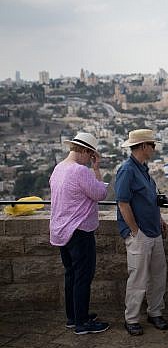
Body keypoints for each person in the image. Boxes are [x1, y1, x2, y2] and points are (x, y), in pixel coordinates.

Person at [49, 132, 110, 335]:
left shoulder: (58, 168)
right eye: (91, 155)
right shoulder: (79, 171)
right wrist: (96, 168)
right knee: (83, 276)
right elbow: (100, 193)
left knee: (71, 275)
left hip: (61, 230)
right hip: (79, 230)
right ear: (84, 151)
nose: (91, 159)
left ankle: (73, 317)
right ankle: (82, 323)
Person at [115, 129, 168, 336]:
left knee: (158, 274)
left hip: (153, 230)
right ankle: (131, 318)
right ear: (144, 146)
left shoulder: (143, 169)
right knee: (138, 277)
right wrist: (135, 231)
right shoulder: (127, 170)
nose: (154, 149)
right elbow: (123, 203)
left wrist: (159, 218)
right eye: (152, 145)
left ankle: (155, 312)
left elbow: (148, 199)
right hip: (141, 233)